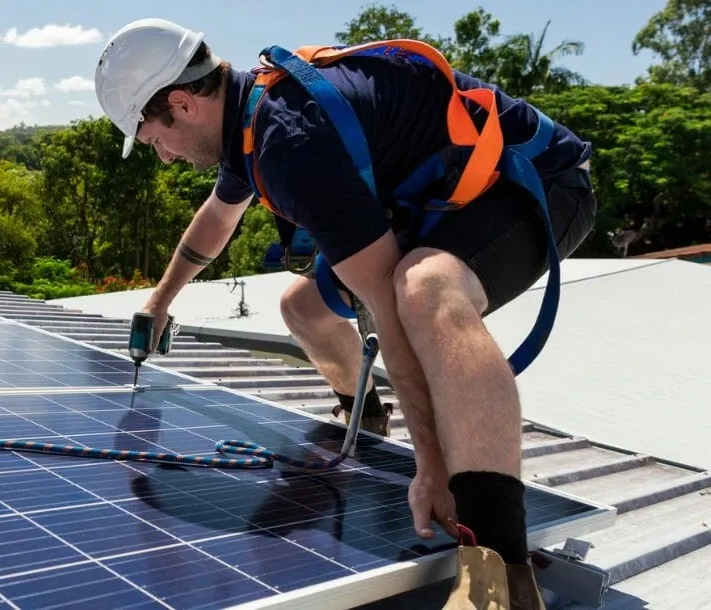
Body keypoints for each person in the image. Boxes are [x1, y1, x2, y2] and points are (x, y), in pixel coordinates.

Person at [94, 17, 597, 610]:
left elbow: (384, 302)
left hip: (537, 186)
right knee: (302, 307)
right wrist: (159, 301)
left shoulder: (291, 141)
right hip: (441, 206)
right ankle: (364, 418)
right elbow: (216, 220)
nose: (165, 158)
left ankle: (500, 578)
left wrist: (432, 463)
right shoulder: (247, 123)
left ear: (182, 104)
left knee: (424, 291)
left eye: (155, 139)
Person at [266, 215, 395, 437]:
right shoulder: (251, 179)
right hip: (368, 227)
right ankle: (367, 418)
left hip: (442, 220)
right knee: (302, 307)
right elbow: (218, 216)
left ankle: (460, 457)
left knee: (418, 310)